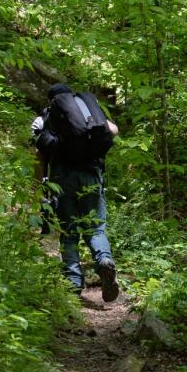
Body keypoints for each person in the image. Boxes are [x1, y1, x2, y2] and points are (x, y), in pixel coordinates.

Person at [32, 83, 121, 302]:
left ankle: (73, 283)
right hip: (91, 174)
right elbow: (113, 130)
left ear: (51, 99)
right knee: (96, 228)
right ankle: (104, 261)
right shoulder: (86, 110)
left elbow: (39, 153)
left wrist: (41, 186)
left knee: (69, 232)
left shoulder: (45, 118)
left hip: (63, 179)